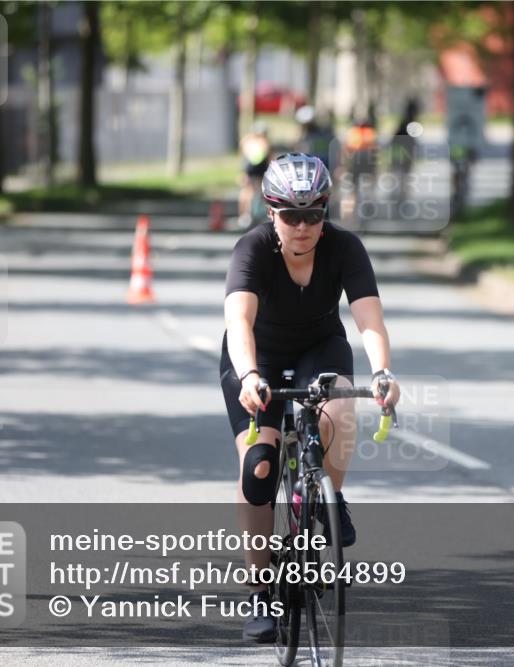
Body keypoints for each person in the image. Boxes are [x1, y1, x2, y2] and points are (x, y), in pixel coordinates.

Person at [220, 153, 401, 642]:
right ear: (269, 211)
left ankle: (330, 497)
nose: (302, 227)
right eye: (290, 216)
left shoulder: (345, 248)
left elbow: (368, 320)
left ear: (326, 212)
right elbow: (238, 321)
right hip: (256, 353)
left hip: (319, 346)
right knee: (259, 465)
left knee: (340, 410)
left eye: (313, 216)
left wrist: (382, 371)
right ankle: (260, 590)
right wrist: (250, 375)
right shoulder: (253, 248)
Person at [237, 122, 271, 229]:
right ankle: (247, 215)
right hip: (256, 170)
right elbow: (268, 156)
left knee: (249, 192)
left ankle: (246, 215)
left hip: (252, 170)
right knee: (251, 193)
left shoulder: (247, 141)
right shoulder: (262, 142)